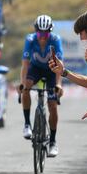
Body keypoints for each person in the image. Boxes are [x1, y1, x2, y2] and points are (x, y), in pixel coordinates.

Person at [20, 14, 63, 157]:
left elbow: (59, 65)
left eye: (46, 33)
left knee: (52, 104)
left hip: (51, 70)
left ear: (50, 32)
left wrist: (58, 84)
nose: (42, 36)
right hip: (36, 69)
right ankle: (27, 124)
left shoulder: (55, 40)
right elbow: (25, 65)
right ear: (35, 31)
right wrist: (22, 84)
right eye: (39, 33)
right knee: (26, 87)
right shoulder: (30, 39)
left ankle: (52, 141)